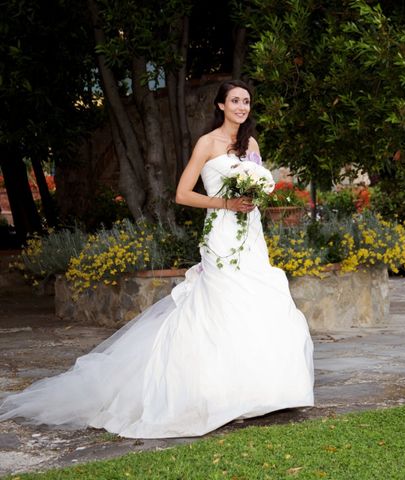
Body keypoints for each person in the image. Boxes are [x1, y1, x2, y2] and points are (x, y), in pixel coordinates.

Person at [0, 80, 315, 439]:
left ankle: (265, 391)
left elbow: (257, 186)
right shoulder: (207, 143)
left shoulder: (251, 144)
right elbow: (183, 193)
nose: (242, 107)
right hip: (222, 234)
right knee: (224, 303)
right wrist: (225, 203)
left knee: (260, 299)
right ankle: (220, 393)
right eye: (235, 101)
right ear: (221, 106)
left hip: (251, 234)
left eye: (246, 101)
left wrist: (253, 197)